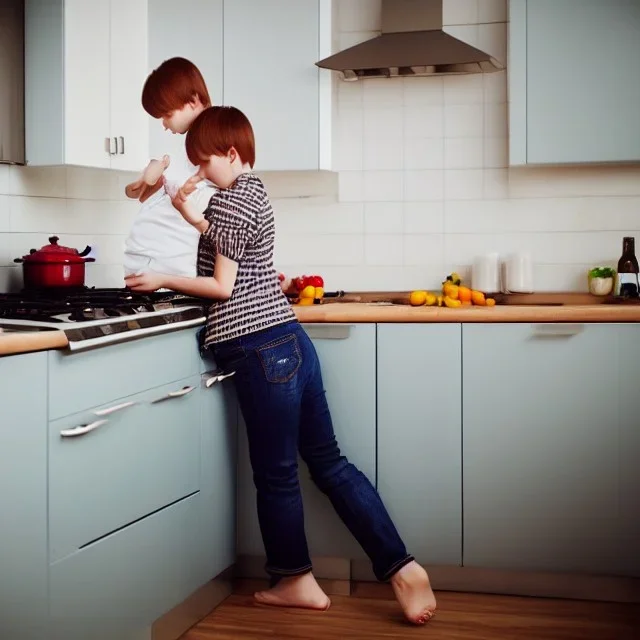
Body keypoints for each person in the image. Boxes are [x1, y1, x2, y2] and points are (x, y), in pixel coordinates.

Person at [124, 106, 437, 626]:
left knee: (277, 475)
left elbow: (222, 286)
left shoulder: (228, 201)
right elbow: (237, 251)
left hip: (258, 350)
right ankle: (401, 567)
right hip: (290, 341)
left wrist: (160, 277)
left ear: (230, 153)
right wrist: (187, 215)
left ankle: (296, 580)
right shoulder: (254, 192)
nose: (199, 174)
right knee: (331, 464)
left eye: (204, 164)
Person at [123, 57, 215, 278]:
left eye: (167, 115)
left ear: (193, 101)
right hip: (155, 277)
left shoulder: (216, 149)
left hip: (174, 280)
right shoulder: (180, 154)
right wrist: (148, 176)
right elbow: (138, 194)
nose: (164, 125)